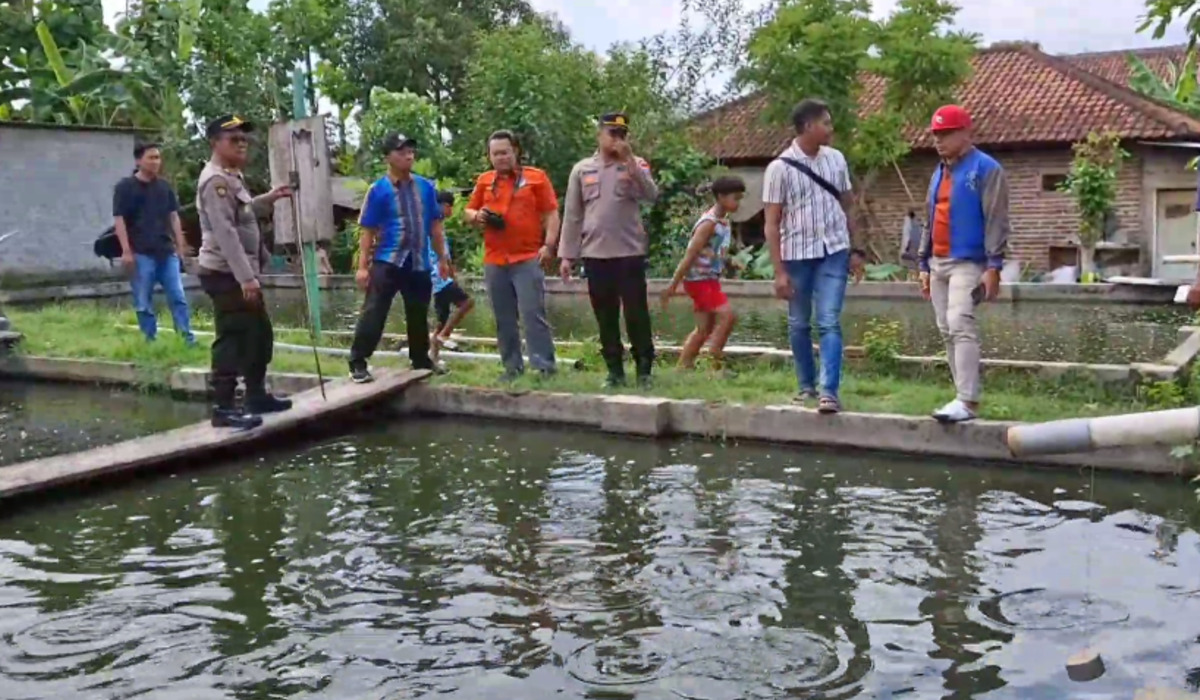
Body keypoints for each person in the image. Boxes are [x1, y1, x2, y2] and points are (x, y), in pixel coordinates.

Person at [195, 114, 294, 429]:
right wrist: (246, 277)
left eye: (243, 139)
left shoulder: (231, 177)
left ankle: (255, 395)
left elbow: (244, 211)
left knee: (259, 334)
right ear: (215, 142)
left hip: (240, 272)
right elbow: (226, 234)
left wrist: (270, 198)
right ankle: (223, 408)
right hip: (226, 274)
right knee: (233, 337)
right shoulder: (216, 182)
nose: (241, 144)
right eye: (233, 139)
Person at [763, 98, 858, 414]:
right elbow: (772, 224)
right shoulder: (779, 168)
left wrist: (856, 249)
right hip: (798, 255)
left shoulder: (837, 160)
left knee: (829, 320)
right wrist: (779, 272)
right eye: (826, 123)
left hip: (834, 249)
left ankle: (829, 391)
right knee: (799, 323)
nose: (831, 129)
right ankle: (806, 385)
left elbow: (847, 205)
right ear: (808, 127)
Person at [917, 104, 1011, 423]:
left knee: (960, 323)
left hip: (968, 261)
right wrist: (922, 262)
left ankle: (968, 401)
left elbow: (996, 219)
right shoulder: (938, 172)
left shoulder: (986, 169)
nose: (939, 141)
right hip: (937, 261)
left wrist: (994, 265)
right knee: (945, 329)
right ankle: (961, 396)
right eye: (936, 135)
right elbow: (930, 219)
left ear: (966, 133)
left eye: (946, 134)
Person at [560, 112, 660, 388]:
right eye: (612, 133)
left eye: (622, 134)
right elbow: (573, 214)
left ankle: (644, 370)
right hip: (596, 253)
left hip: (629, 252)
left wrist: (630, 162)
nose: (617, 139)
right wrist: (567, 255)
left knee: (636, 314)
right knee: (605, 315)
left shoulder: (636, 164)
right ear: (600, 135)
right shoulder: (582, 169)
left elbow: (652, 195)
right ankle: (614, 370)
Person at [348, 132, 449, 383]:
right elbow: (368, 230)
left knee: (418, 312)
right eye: (401, 150)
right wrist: (362, 267)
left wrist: (443, 259)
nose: (408, 154)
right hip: (388, 261)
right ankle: (358, 361)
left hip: (419, 260)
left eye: (410, 150)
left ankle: (420, 358)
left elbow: (435, 227)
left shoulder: (426, 187)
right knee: (374, 311)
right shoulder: (378, 190)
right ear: (388, 157)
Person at [464, 131, 559, 380]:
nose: (501, 158)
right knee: (504, 318)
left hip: (527, 257)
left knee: (532, 314)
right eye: (495, 153)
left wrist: (549, 246)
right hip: (495, 260)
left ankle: (544, 367)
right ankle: (511, 368)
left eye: (505, 152)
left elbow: (551, 213)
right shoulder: (485, 180)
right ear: (489, 156)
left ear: (515, 151)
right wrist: (477, 216)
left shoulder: (536, 178)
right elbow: (468, 210)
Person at [113, 141, 195, 344]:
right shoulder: (125, 187)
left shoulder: (164, 187)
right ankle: (149, 339)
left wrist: (180, 244)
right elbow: (119, 220)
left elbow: (173, 216)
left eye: (158, 157)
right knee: (143, 300)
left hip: (166, 251)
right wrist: (126, 251)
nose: (156, 162)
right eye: (151, 157)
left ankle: (186, 338)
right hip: (141, 252)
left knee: (178, 297)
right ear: (139, 160)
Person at [661, 175, 745, 370]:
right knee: (728, 317)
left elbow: (711, 252)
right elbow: (690, 254)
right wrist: (673, 284)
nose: (738, 203)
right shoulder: (708, 223)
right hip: (699, 280)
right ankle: (713, 363)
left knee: (704, 328)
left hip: (708, 279)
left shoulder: (722, 222)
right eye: (736, 198)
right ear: (721, 197)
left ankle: (684, 366)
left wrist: (729, 262)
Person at [429, 190, 475, 366]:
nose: (451, 211)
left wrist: (454, 276)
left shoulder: (437, 225)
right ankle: (445, 335)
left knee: (441, 318)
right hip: (438, 278)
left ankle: (433, 356)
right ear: (445, 206)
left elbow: (447, 257)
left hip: (440, 278)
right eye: (450, 207)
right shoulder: (433, 225)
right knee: (467, 303)